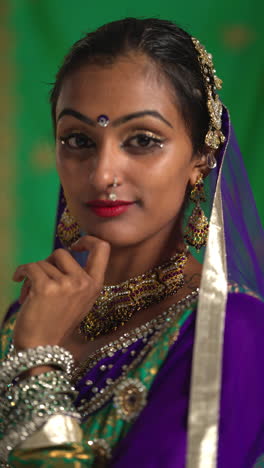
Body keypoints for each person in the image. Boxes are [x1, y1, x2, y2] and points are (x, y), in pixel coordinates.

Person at [0, 17, 264, 468]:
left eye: (142, 140)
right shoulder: (31, 314)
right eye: (78, 139)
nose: (102, 174)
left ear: (202, 156)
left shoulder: (233, 333)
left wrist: (38, 367)